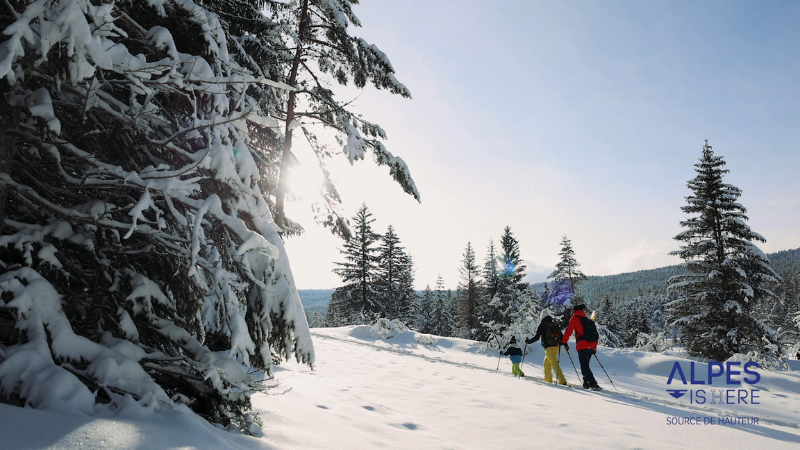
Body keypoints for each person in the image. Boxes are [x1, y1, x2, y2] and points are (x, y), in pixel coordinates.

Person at [561, 298, 601, 390]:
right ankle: (586, 383)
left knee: (584, 366)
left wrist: (563, 341)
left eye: (572, 310)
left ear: (575, 310)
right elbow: (595, 334)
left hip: (583, 345)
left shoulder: (574, 319)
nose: (572, 311)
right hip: (591, 345)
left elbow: (568, 331)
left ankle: (593, 384)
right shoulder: (588, 320)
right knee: (586, 365)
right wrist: (594, 347)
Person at [525, 308, 567, 385]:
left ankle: (562, 381)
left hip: (549, 347)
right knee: (546, 362)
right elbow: (561, 335)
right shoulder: (553, 324)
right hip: (557, 346)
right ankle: (548, 379)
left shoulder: (542, 325)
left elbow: (537, 337)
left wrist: (528, 341)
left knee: (554, 363)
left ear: (542, 317)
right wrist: (565, 344)